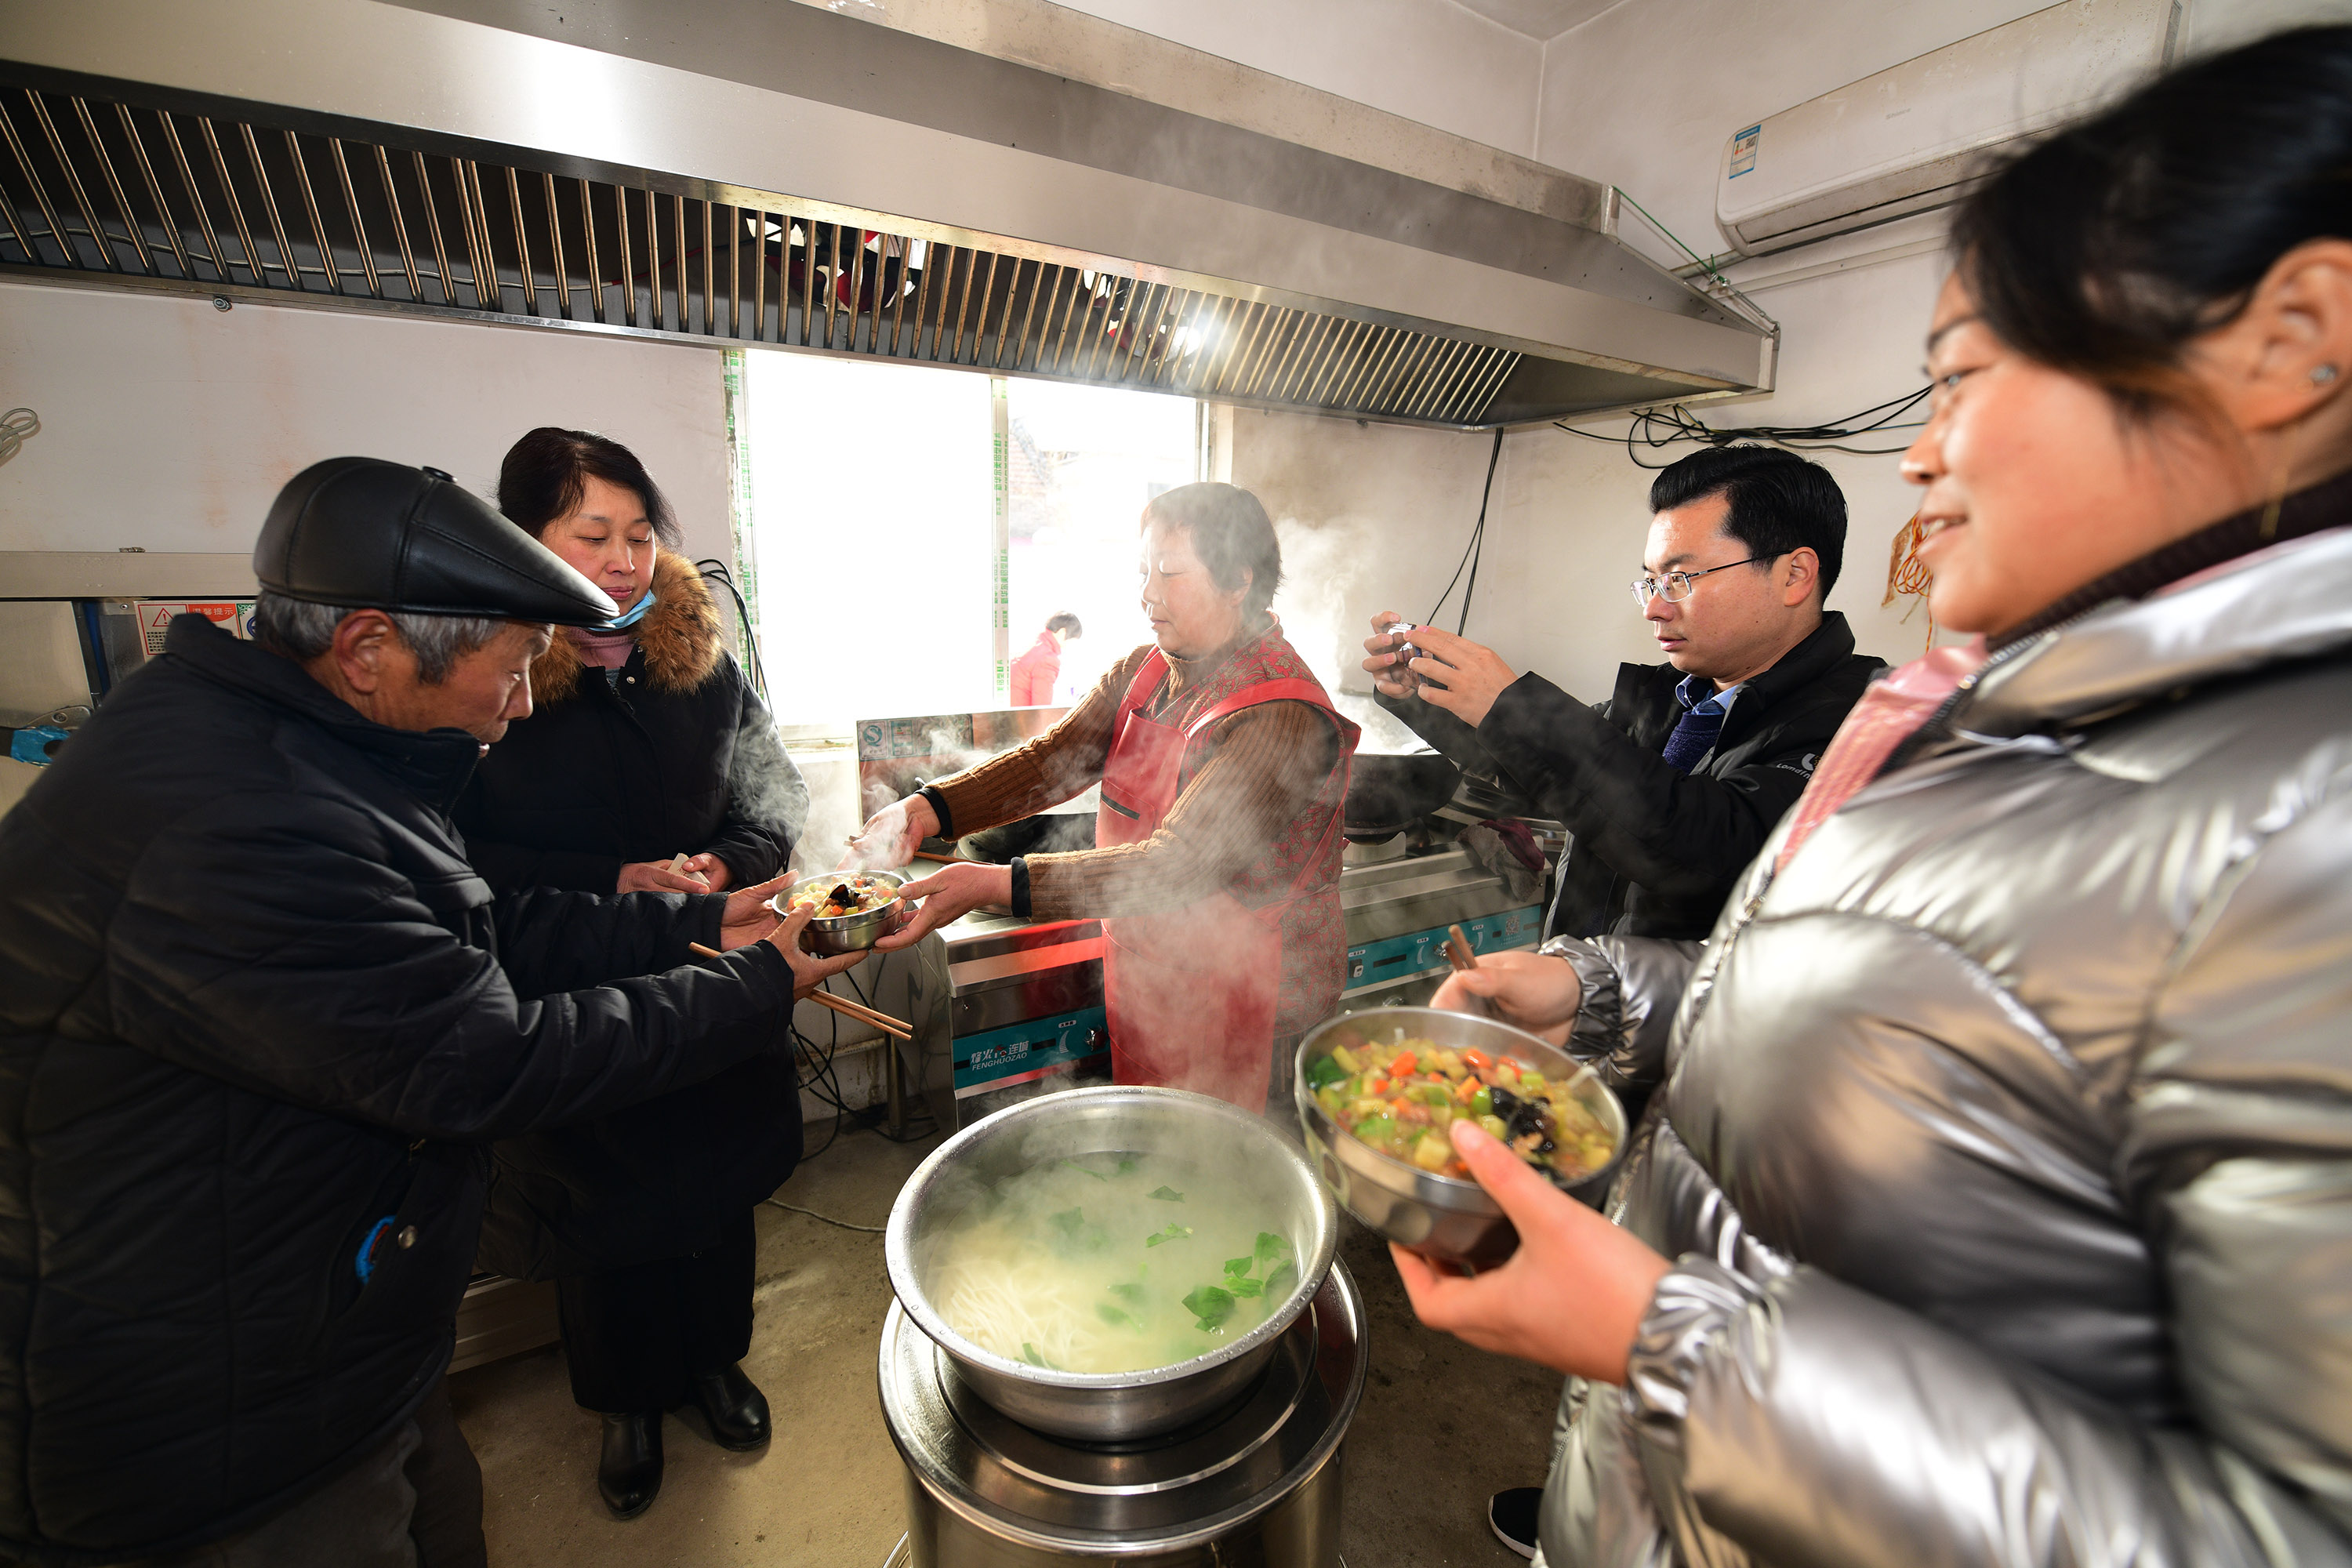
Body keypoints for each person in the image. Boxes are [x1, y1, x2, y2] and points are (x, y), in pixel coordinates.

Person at [1394, 27, 2352, 1568]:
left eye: (1963, 375)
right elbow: (1878, 1006)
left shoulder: (2307, 829)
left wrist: (1670, 1337)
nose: (1919, 454)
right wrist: (1604, 989)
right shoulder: (2009, 716)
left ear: (2295, 336)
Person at [0, 458, 860, 1566]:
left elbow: (471, 923)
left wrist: (697, 922)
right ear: (368, 649)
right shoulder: (244, 818)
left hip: (324, 1340)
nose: (519, 704)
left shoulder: (285, 742)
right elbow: (486, 1060)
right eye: (512, 669)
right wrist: (763, 980)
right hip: (207, 1412)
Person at [452, 428, 809, 1520]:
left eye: (640, 534)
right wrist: (617, 879)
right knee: (605, 1217)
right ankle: (626, 1405)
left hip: (717, 964)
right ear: (528, 543)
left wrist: (724, 866)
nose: (622, 560)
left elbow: (774, 797)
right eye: (592, 534)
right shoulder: (494, 678)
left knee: (714, 1192)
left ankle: (714, 1364)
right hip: (583, 995)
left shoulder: (699, 666)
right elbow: (468, 864)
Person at [850, 483, 1359, 1114]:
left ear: (1238, 582)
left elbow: (1179, 865)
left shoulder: (1281, 714)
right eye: (1144, 571)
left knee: (1240, 1166)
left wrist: (995, 886)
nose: (1147, 594)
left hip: (1258, 1005)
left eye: (1169, 572)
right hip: (1151, 976)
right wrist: (927, 809)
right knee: (1158, 1145)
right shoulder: (1147, 670)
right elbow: (1051, 761)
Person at [1363, 445, 1883, 946]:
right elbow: (1545, 776)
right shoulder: (1670, 697)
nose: (1654, 608)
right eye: (1651, 582)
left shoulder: (1868, 724)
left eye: (1680, 578)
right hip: (1588, 990)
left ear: (1794, 575)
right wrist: (1427, 694)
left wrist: (1512, 705)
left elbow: (1702, 848)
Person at [1010, 611, 1083, 706]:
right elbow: (1042, 707)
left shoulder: (1032, 646)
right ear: (1063, 632)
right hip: (1021, 714)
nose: (1068, 646)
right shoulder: (1047, 659)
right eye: (1071, 641)